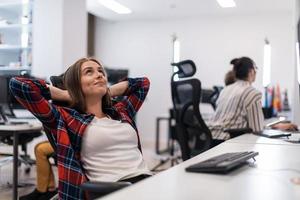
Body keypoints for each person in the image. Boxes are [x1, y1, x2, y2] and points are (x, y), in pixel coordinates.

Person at [9, 57, 151, 199]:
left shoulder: (121, 111)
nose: (99, 74)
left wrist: (108, 91)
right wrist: (67, 94)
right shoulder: (67, 118)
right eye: (89, 72)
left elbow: (143, 84)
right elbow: (19, 85)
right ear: (76, 85)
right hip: (113, 189)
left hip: (147, 182)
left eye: (100, 71)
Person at [209, 57, 297, 142]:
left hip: (211, 139)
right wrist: (279, 127)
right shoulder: (252, 93)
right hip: (228, 140)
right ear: (251, 71)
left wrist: (276, 125)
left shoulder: (225, 90)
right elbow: (257, 128)